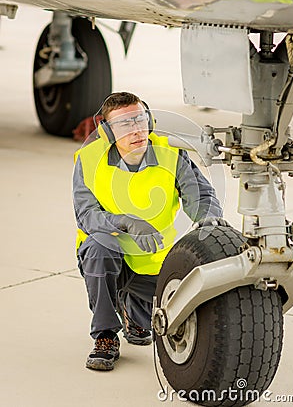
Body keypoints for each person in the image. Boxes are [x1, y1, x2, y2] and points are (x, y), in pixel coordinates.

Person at [72, 91, 223, 371]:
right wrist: (126, 222)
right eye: (125, 124)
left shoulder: (170, 155)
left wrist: (209, 221)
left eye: (140, 120)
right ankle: (105, 335)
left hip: (155, 261)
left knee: (163, 321)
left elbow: (201, 197)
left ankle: (133, 311)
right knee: (98, 248)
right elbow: (87, 216)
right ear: (107, 132)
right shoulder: (89, 159)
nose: (137, 130)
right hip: (110, 260)